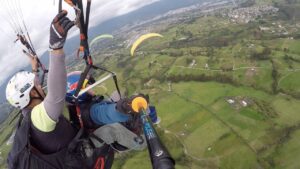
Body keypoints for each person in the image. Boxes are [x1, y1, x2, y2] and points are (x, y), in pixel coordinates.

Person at [6, 11, 146, 169]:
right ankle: (139, 138)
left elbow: (36, 87)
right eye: (36, 86)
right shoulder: (38, 118)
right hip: (86, 161)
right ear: (32, 93)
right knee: (112, 129)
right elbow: (56, 95)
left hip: (74, 151)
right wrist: (56, 48)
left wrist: (34, 69)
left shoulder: (26, 122)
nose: (40, 85)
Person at [65, 71, 147, 151]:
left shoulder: (81, 107)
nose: (91, 86)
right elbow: (108, 113)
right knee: (143, 112)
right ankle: (142, 143)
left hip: (100, 124)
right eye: (88, 85)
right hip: (125, 133)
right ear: (79, 92)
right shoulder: (94, 112)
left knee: (116, 96)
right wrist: (127, 106)